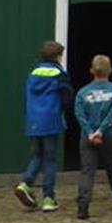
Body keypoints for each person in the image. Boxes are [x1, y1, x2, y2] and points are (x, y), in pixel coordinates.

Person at [16, 40, 72, 213]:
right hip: (51, 120)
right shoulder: (59, 74)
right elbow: (67, 97)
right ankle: (49, 197)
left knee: (37, 156)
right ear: (57, 56)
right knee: (50, 159)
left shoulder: (33, 73)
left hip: (34, 121)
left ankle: (26, 183)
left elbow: (26, 98)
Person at [73, 54, 112, 219]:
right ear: (110, 70)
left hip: (87, 137)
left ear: (91, 71)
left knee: (87, 172)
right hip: (109, 136)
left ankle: (83, 206)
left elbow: (79, 114)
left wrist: (90, 132)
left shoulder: (82, 93)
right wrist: (101, 131)